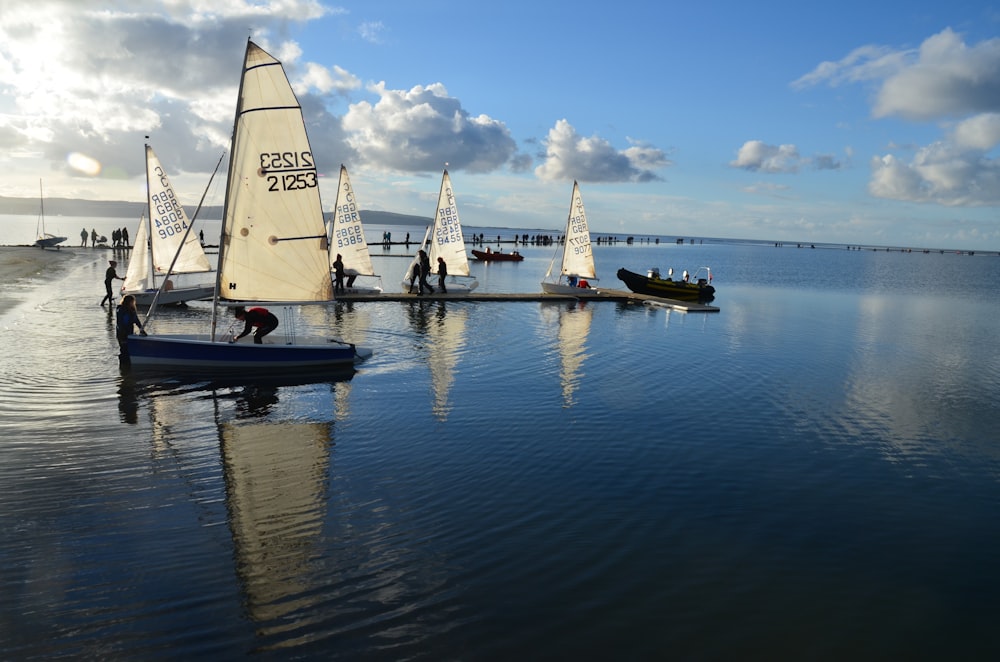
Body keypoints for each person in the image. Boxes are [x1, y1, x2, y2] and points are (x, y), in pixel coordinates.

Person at [115, 294, 147, 363]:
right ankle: (123, 363)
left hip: (129, 333)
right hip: (122, 334)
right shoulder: (121, 310)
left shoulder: (132, 310)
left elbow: (136, 321)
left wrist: (142, 330)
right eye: (132, 302)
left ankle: (125, 370)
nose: (133, 303)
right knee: (124, 350)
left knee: (128, 349)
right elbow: (121, 323)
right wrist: (124, 333)